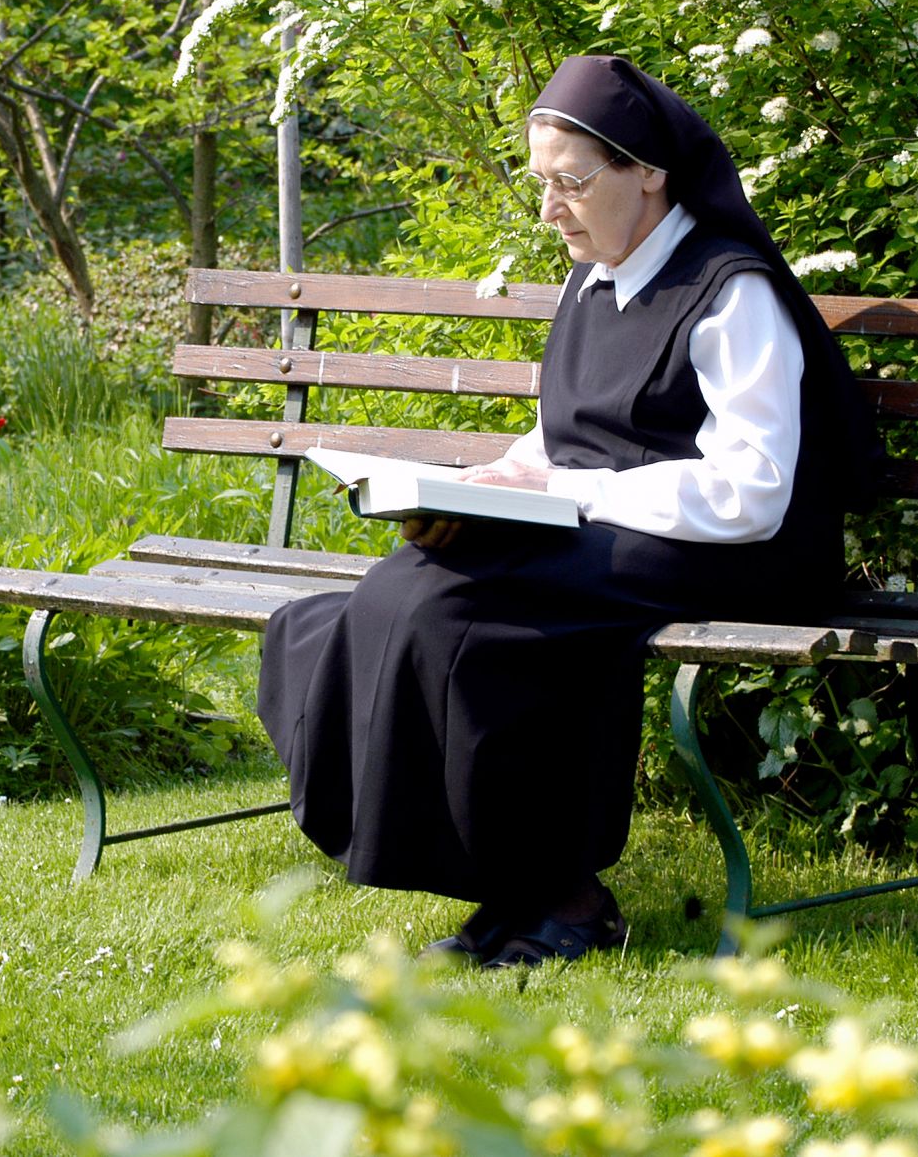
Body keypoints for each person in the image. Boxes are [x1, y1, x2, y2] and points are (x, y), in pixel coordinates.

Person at [254, 55, 874, 967]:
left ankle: (566, 899)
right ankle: (520, 894)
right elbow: (567, 438)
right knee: (397, 592)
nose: (551, 210)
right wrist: (486, 488)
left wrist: (565, 495)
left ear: (649, 172)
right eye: (542, 184)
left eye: (573, 184)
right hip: (622, 530)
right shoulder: (594, 274)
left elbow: (752, 491)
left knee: (456, 613)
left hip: (743, 553)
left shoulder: (732, 292)